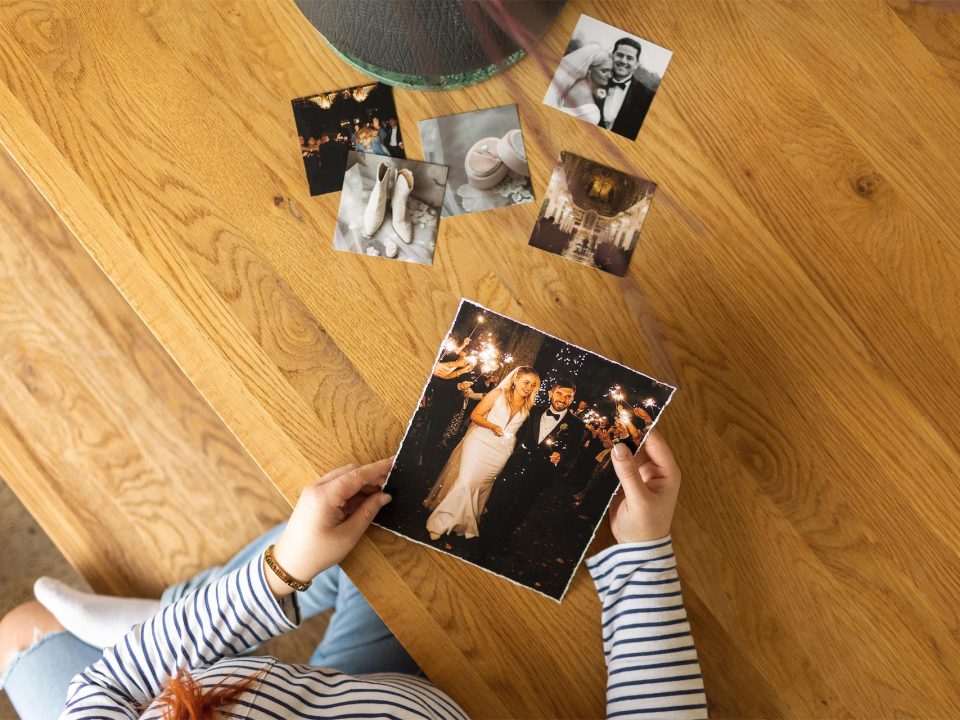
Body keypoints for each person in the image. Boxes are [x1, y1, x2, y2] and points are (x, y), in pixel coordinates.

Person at [0, 433, 705, 718]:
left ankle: (180, 612)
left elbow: (109, 683)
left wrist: (287, 567)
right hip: (415, 699)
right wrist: (642, 555)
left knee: (20, 633)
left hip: (334, 694)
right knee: (409, 543)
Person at [424, 366, 540, 540]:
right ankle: (441, 523)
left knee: (480, 486)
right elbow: (475, 415)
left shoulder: (529, 405)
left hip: (502, 451)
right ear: (515, 379)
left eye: (533, 385)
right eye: (526, 382)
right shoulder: (498, 394)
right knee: (466, 481)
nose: (529, 387)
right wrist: (492, 426)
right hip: (479, 442)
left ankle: (464, 521)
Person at [479, 378, 586, 556]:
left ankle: (503, 539)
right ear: (551, 393)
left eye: (568, 396)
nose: (563, 399)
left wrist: (561, 457)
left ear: (572, 399)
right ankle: (484, 538)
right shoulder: (534, 410)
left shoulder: (576, 425)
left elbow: (573, 454)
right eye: (559, 393)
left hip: (540, 474)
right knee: (501, 501)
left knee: (521, 508)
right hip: (516, 465)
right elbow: (517, 434)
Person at [599, 36, 658, 138]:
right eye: (620, 55)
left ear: (636, 64)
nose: (623, 61)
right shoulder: (594, 82)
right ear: (612, 56)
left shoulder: (648, 96)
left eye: (629, 58)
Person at [543, 43, 613, 125]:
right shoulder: (592, 112)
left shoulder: (571, 83)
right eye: (604, 71)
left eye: (611, 71)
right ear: (589, 69)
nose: (610, 75)